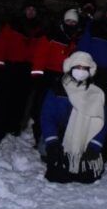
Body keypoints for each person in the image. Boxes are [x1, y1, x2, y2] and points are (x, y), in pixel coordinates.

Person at [40, 51, 107, 184]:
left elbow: (103, 122)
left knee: (87, 176)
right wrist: (52, 142)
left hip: (85, 140)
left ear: (90, 71)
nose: (81, 71)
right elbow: (47, 117)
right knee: (58, 175)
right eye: (77, 67)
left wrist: (94, 146)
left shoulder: (97, 93)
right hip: (59, 137)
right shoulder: (57, 89)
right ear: (70, 68)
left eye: (84, 68)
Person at [0, 2, 44, 149]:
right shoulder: (12, 25)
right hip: (10, 66)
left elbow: (41, 51)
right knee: (2, 102)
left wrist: (37, 71)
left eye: (33, 9)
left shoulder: (40, 29)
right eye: (28, 8)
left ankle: (13, 127)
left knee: (20, 102)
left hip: (27, 70)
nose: (30, 12)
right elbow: (1, 44)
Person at [77, 3, 107, 159]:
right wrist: (83, 71)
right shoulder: (93, 28)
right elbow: (83, 49)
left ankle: (102, 149)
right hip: (92, 74)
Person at [30, 8, 83, 144]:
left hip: (65, 78)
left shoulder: (77, 39)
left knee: (60, 109)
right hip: (48, 75)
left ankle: (56, 137)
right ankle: (39, 135)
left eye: (73, 22)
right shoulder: (51, 35)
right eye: (68, 21)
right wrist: (38, 73)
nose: (70, 24)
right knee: (41, 107)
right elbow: (40, 54)